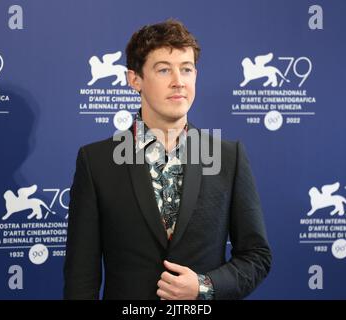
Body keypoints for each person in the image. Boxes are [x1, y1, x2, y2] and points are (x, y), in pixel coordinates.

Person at [63, 19, 271, 300]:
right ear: (134, 79)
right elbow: (81, 277)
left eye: (186, 69)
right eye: (163, 70)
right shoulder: (96, 161)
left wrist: (204, 286)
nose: (178, 81)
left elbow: (256, 257)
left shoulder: (228, 157)